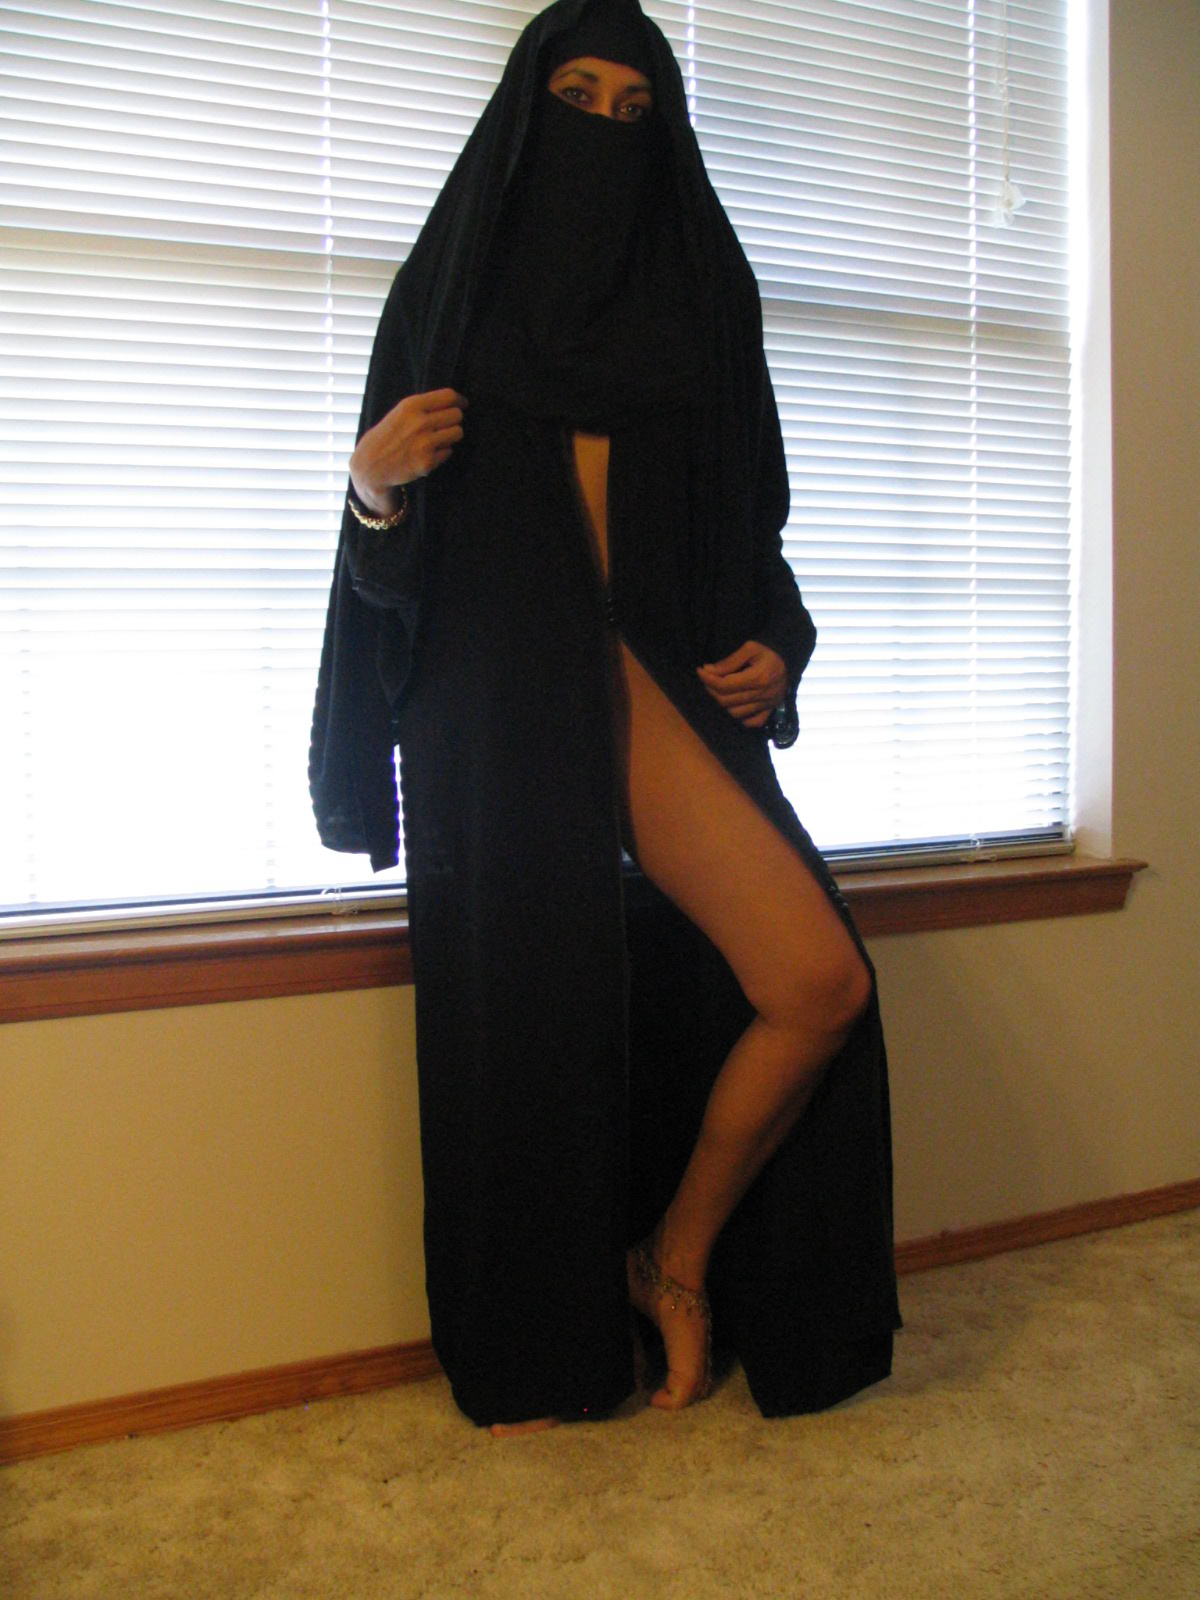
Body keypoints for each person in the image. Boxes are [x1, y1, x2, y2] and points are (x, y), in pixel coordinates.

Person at [310, 0, 901, 1435]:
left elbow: (751, 525)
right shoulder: (454, 292)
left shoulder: (699, 301)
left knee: (815, 981)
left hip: (651, 691)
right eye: (575, 98)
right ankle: (542, 1347)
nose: (603, 132)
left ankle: (674, 1257)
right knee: (528, 1030)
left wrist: (781, 644)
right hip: (495, 706)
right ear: (527, 115)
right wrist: (373, 490)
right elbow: (385, 580)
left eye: (635, 113)